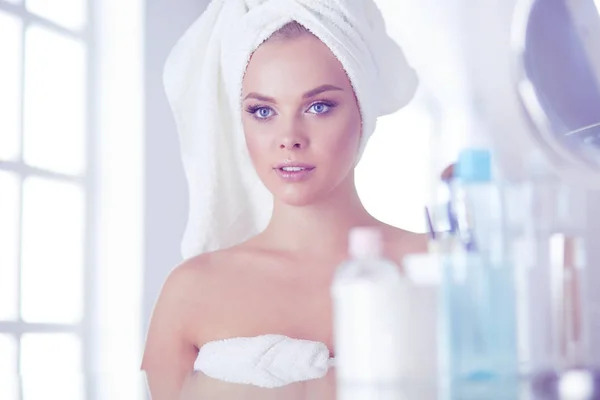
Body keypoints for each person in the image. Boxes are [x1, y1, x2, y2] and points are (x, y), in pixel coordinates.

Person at [142, 0, 429, 398]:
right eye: (262, 111)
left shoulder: (437, 269)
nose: (289, 136)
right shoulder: (191, 291)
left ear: (362, 109)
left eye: (318, 106)